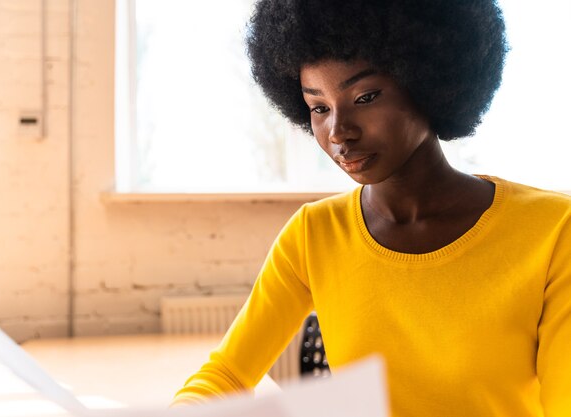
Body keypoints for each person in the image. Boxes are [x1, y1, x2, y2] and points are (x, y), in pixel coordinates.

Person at [172, 1, 571, 415]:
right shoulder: (313, 234)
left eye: (366, 97)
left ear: (429, 83)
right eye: (319, 108)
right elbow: (226, 376)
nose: (339, 132)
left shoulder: (553, 230)